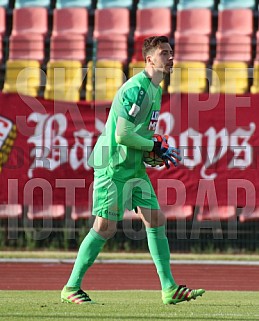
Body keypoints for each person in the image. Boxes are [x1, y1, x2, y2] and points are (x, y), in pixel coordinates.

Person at [61, 36, 205, 305]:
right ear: (149, 59)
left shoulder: (155, 89)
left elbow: (138, 135)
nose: (170, 57)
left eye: (171, 52)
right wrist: (155, 147)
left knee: (156, 219)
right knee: (104, 227)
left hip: (133, 166)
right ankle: (71, 287)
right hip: (112, 165)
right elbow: (122, 134)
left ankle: (169, 288)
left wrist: (149, 153)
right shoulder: (136, 88)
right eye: (164, 53)